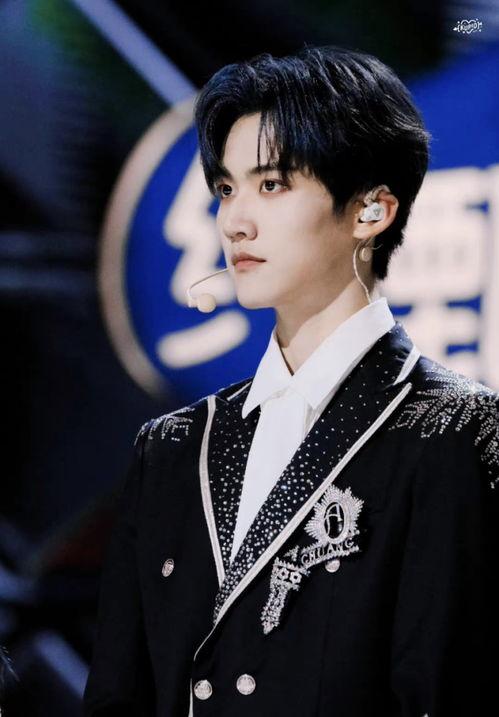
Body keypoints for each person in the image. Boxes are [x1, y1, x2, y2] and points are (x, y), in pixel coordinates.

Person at [84, 45, 499, 717]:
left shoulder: (454, 430)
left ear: (370, 211)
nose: (233, 221)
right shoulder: (171, 448)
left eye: (271, 184)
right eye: (226, 189)